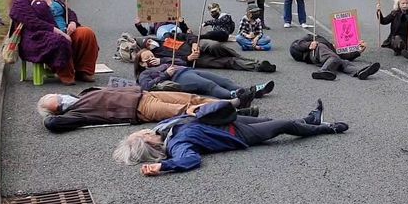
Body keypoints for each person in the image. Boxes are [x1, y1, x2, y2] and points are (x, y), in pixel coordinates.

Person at [113, 99, 348, 175]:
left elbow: (183, 115)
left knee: (270, 120)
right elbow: (191, 160)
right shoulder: (177, 145)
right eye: (141, 134)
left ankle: (311, 120)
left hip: (230, 122)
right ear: (149, 144)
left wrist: (191, 110)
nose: (144, 130)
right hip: (240, 134)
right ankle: (327, 128)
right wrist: (163, 165)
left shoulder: (164, 128)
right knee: (283, 126)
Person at [9, 0, 99, 85]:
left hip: (65, 31)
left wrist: (72, 22)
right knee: (58, 40)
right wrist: (57, 31)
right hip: (37, 36)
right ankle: (65, 73)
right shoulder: (20, 2)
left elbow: (69, 12)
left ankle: (84, 71)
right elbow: (33, 22)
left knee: (87, 33)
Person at [36, 87, 257, 133]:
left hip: (144, 93)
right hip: (139, 108)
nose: (62, 96)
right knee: (186, 109)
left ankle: (236, 105)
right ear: (57, 107)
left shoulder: (83, 94)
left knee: (191, 97)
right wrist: (54, 111)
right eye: (57, 99)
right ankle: (235, 107)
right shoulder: (75, 113)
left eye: (57, 95)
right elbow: (52, 124)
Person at [134, 49, 275, 99]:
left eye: (152, 56)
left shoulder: (162, 62)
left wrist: (162, 60)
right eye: (147, 58)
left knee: (224, 81)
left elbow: (182, 62)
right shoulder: (145, 73)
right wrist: (165, 74)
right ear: (141, 63)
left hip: (187, 71)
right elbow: (147, 86)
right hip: (179, 78)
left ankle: (253, 90)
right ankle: (236, 95)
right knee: (209, 85)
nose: (151, 59)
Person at [141, 34, 276, 73]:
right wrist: (188, 58)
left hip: (197, 46)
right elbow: (175, 62)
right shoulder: (157, 56)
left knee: (215, 45)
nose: (149, 43)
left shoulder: (167, 36)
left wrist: (194, 44)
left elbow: (189, 36)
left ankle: (242, 57)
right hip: (194, 60)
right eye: (146, 45)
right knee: (225, 62)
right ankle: (258, 66)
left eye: (149, 41)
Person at [289, 34, 380, 81]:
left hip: (325, 57)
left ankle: (358, 72)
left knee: (342, 61)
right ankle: (323, 71)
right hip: (315, 52)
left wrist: (358, 51)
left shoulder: (330, 47)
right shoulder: (311, 38)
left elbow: (343, 55)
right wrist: (309, 45)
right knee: (334, 58)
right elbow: (295, 45)